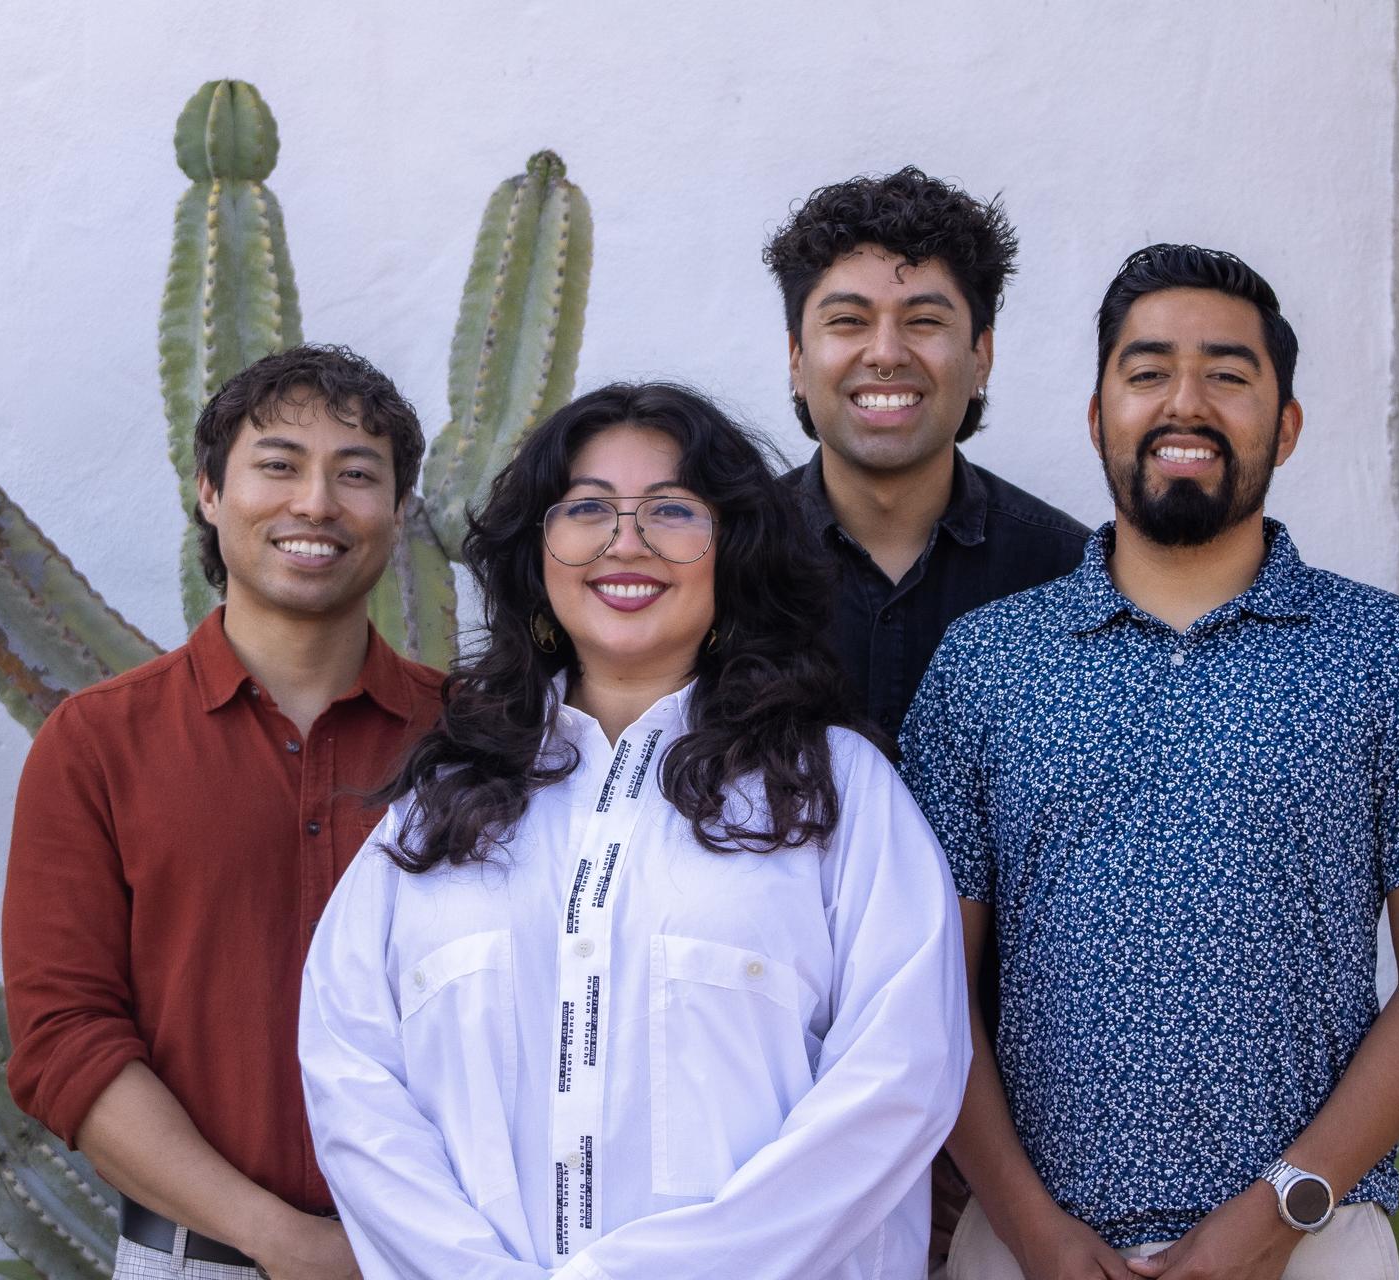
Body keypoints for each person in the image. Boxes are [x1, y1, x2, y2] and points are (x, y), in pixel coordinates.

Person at [903, 244, 1399, 1280]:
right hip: (1029, 1247)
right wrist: (1028, 1224)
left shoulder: (1386, 654)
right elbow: (923, 983)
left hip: (1311, 1246)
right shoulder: (987, 662)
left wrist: (1283, 1207)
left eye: (1229, 374)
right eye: (1147, 373)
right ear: (1099, 416)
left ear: (1288, 422)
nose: (1185, 402)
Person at [299, 382, 969, 1280]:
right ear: (537, 557)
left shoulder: (837, 792)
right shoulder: (439, 807)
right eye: (585, 509)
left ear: (733, 554)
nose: (626, 540)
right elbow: (352, 1080)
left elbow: (900, 1079)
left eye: (672, 509)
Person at [3, 345, 441, 1280]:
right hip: (195, 1264)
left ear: (399, 514)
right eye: (277, 465)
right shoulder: (94, 746)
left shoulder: (480, 742)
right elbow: (65, 1041)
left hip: (455, 1257)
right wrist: (286, 1243)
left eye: (357, 475)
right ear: (209, 492)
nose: (316, 503)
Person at [764, 166, 1088, 740]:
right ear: (797, 359)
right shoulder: (728, 555)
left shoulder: (1070, 575)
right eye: (847, 321)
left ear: (980, 357)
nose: (885, 353)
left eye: (924, 321)